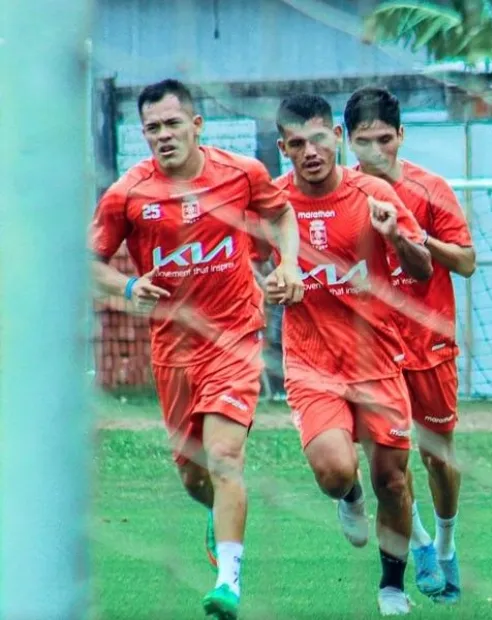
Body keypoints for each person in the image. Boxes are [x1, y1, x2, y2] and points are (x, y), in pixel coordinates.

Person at [89, 78, 304, 619]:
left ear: (196, 125)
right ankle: (218, 513)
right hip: (173, 350)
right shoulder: (127, 194)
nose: (163, 136)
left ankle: (228, 580)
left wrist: (288, 263)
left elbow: (281, 214)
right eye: (152, 128)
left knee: (226, 456)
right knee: (193, 474)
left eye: (172, 124)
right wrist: (128, 287)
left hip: (234, 337)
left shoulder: (241, 174)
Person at [271, 93, 433, 616]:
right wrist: (270, 280)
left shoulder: (375, 193)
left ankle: (391, 586)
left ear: (336, 138)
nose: (310, 152)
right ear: (284, 148)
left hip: (378, 358)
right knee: (337, 471)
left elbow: (423, 269)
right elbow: (246, 264)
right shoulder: (273, 204)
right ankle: (348, 497)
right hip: (310, 359)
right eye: (297, 144)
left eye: (318, 139)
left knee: (393, 479)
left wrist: (396, 238)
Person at [344, 86, 476, 604]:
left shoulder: (431, 188)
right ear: (346, 141)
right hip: (372, 348)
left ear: (401, 135)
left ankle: (444, 543)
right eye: (363, 141)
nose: (375, 152)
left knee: (437, 457)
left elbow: (465, 262)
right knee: (388, 463)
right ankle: (418, 543)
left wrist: (413, 236)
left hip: (429, 343)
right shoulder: (336, 191)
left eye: (384, 139)